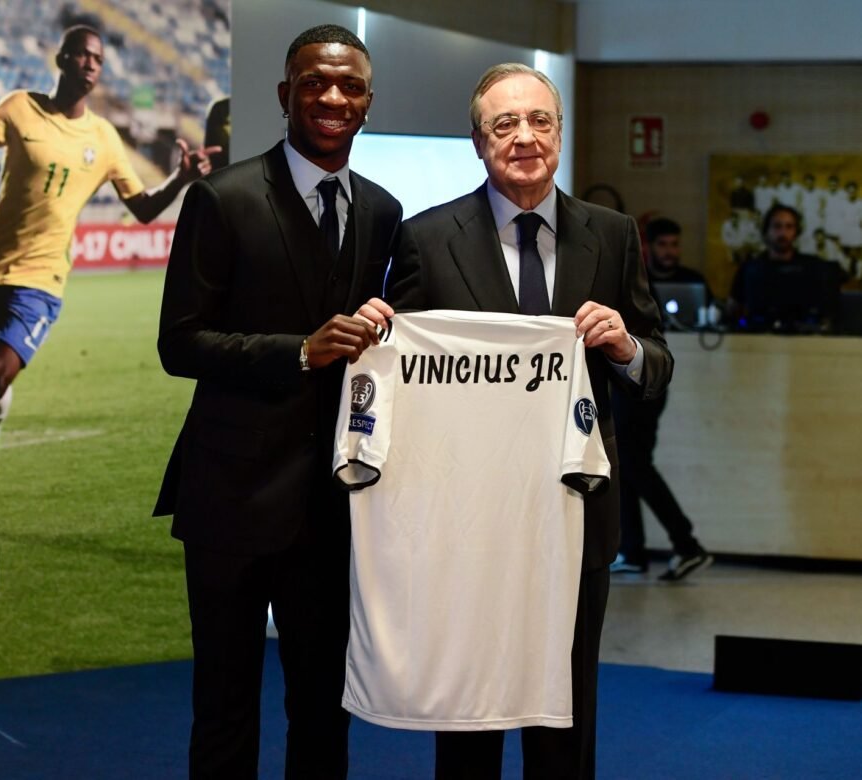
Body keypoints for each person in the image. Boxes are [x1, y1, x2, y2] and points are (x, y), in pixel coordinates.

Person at [364, 62, 672, 779]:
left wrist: (625, 347)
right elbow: (401, 370)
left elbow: (657, 363)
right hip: (466, 523)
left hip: (575, 511)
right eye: (504, 124)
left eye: (539, 121)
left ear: (560, 134)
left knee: (566, 719)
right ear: (478, 142)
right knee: (468, 717)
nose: (524, 137)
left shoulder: (613, 235)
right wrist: (376, 335)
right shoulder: (426, 238)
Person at [153, 24, 402, 778]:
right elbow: (179, 344)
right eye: (315, 82)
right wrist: (297, 351)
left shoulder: (384, 211)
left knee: (324, 709)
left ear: (368, 103)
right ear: (285, 93)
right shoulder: (222, 198)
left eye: (350, 86)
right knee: (225, 707)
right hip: (229, 496)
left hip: (334, 505)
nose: (332, 97)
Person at [0, 24, 219, 475]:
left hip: (42, 281)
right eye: (83, 54)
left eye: (98, 59)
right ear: (62, 58)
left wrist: (180, 179)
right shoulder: (19, 107)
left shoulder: (103, 138)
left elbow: (142, 208)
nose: (91, 64)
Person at [609, 218, 714, 581]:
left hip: (641, 380)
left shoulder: (634, 277)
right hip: (630, 380)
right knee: (626, 464)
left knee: (634, 465)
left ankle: (686, 544)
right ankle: (633, 550)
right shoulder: (634, 273)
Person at [727, 204, 846, 332]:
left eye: (789, 227)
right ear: (766, 231)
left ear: (796, 233)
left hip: (803, 336)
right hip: (757, 335)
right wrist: (741, 322)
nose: (783, 233)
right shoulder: (750, 268)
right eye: (777, 226)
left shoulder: (813, 266)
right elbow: (733, 308)